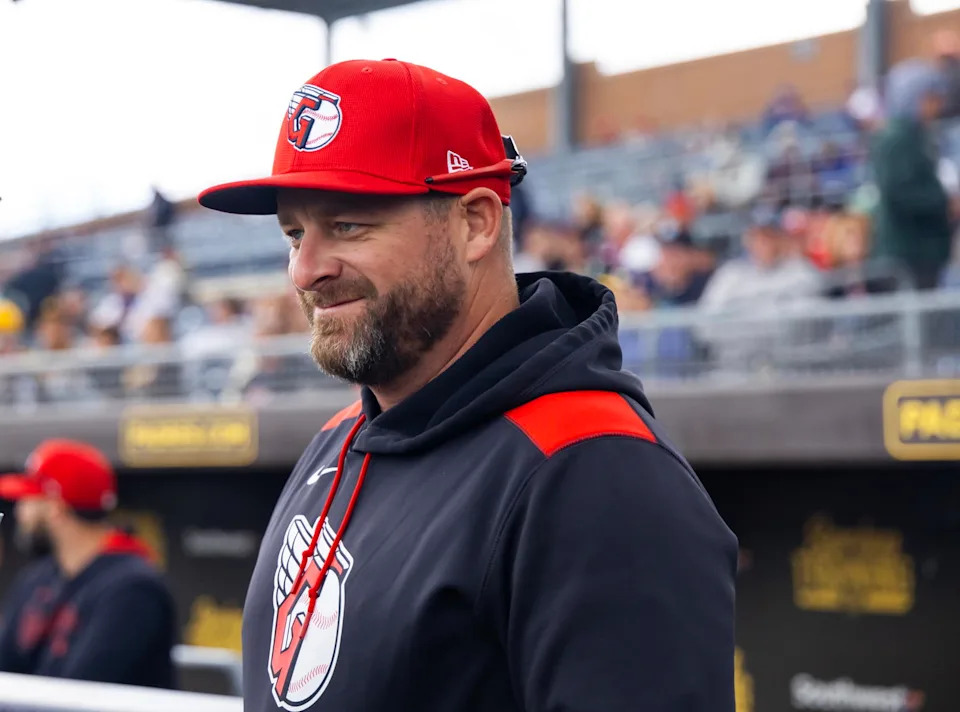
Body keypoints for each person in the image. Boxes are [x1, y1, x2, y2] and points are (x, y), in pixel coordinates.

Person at [199, 59, 736, 712]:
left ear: (477, 222)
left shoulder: (597, 471)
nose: (306, 271)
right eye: (293, 234)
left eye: (347, 226)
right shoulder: (340, 437)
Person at [0, 439, 176, 688]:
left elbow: (77, 695)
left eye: (27, 500)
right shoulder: (38, 577)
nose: (19, 512)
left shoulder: (133, 588)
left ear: (55, 509)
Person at [870, 59, 953, 290]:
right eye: (931, 98)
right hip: (909, 255)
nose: (937, 106)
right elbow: (900, 192)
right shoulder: (896, 138)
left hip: (924, 252)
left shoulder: (918, 136)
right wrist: (945, 203)